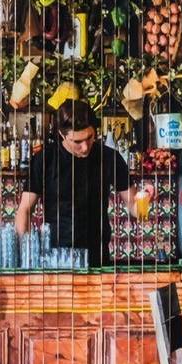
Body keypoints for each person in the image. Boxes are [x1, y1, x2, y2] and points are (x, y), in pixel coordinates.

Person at [15, 99, 149, 267]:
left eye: (90, 137)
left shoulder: (109, 157)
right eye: (77, 142)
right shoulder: (45, 159)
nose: (85, 147)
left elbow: (134, 208)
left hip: (97, 258)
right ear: (63, 135)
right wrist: (27, 255)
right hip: (55, 259)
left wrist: (145, 199)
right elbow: (24, 210)